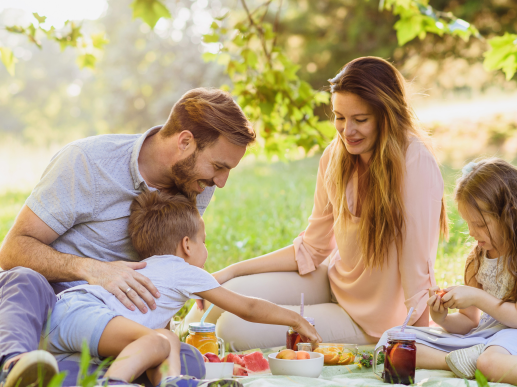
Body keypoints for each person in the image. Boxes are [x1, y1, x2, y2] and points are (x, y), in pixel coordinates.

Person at [0, 88, 257, 387]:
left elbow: (162, 272)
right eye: (218, 167)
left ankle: (50, 377)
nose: (220, 182)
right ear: (184, 142)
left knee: (185, 359)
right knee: (24, 279)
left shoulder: (196, 183)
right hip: (27, 309)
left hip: (100, 324)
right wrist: (93, 269)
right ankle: (10, 369)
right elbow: (12, 251)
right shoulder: (88, 162)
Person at [184, 56, 449, 349]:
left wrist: (418, 346)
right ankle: (166, 345)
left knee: (234, 329)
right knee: (224, 293)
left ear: (387, 115)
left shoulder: (415, 162)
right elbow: (312, 248)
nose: (347, 131)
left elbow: (417, 269)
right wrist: (231, 271)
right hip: (333, 283)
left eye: (360, 120)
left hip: (373, 321)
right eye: (339, 117)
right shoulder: (335, 156)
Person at [39, 190, 320, 386]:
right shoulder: (182, 271)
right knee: (158, 341)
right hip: (84, 313)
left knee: (167, 339)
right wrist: (295, 319)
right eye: (204, 241)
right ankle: (116, 383)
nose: (206, 249)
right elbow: (248, 308)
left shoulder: (152, 267)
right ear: (187, 245)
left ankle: (171, 383)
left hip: (61, 317)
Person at [377, 158, 517, 386]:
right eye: (468, 223)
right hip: (486, 335)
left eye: (479, 224)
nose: (471, 232)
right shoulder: (477, 257)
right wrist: (443, 318)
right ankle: (453, 360)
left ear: (510, 215)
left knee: (490, 362)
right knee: (392, 340)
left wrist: (477, 297)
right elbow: (470, 322)